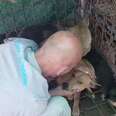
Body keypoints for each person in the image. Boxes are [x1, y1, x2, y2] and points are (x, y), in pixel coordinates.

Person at [0, 31, 82, 116]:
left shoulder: (9, 46)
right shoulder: (35, 102)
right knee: (61, 105)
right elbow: (30, 99)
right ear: (62, 70)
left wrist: (53, 92)